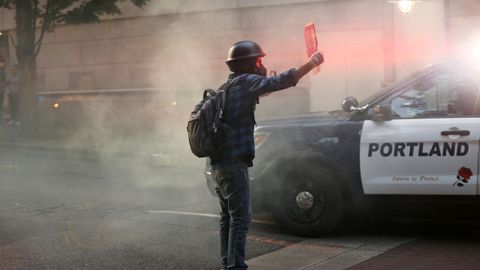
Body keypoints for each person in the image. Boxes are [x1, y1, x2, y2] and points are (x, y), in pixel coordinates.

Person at [210, 40, 324, 270]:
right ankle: (235, 267)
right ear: (248, 64)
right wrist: (311, 63)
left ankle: (228, 263)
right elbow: (281, 81)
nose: (262, 64)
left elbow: (266, 88)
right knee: (241, 218)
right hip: (234, 164)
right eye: (259, 60)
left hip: (218, 164)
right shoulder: (246, 82)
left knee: (228, 218)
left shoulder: (230, 86)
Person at [0, 56, 6, 125]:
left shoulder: (3, 71)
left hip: (1, 90)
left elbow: (4, 81)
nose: (1, 63)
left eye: (2, 62)